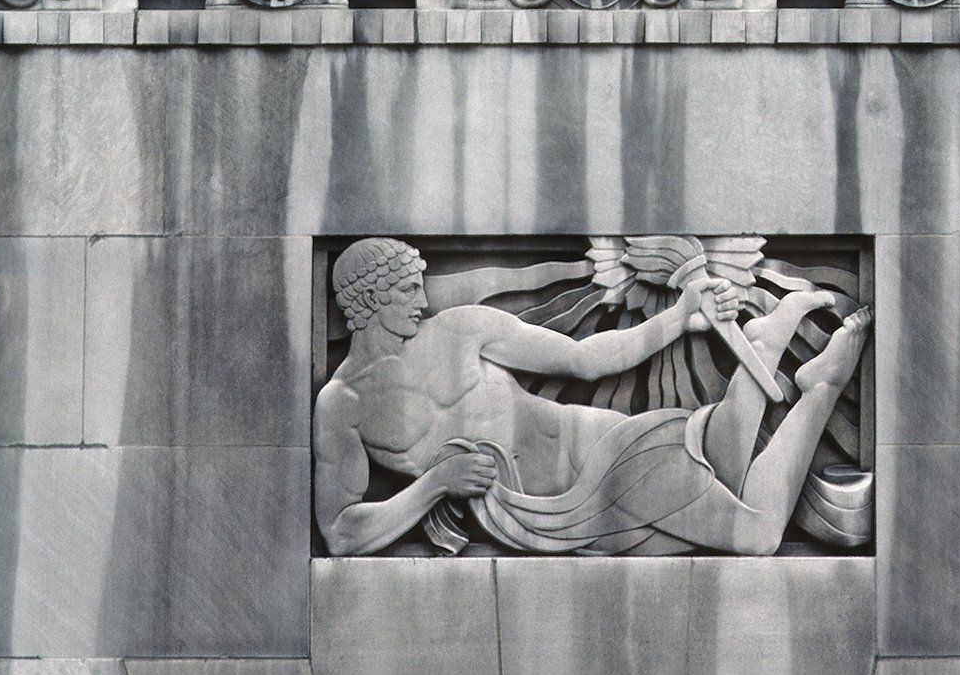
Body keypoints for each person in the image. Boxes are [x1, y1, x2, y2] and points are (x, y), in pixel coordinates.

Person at [314, 237, 872, 556]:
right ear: (370, 298)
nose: (422, 300)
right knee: (727, 467)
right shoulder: (343, 406)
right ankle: (770, 348)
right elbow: (340, 532)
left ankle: (821, 385)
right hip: (551, 515)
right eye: (407, 289)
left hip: (599, 446)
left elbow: (583, 358)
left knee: (758, 535)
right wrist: (435, 484)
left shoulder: (460, 329)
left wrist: (678, 318)